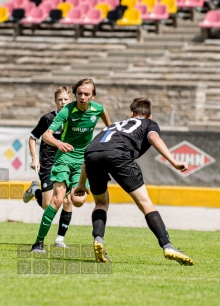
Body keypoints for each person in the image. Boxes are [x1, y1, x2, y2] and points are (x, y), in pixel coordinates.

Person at [73, 97, 194, 265]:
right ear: (149, 115)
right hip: (118, 155)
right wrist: (173, 161)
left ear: (131, 113)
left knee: (100, 203)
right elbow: (154, 138)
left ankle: (98, 239)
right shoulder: (149, 124)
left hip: (92, 155)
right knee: (145, 203)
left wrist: (81, 184)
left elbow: (92, 151)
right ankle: (168, 245)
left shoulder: (114, 125)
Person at [30, 78, 111, 253]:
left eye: (86, 94)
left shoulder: (99, 110)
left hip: (83, 162)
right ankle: (39, 242)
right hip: (64, 159)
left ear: (93, 95)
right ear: (75, 95)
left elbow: (110, 129)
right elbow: (46, 135)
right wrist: (59, 144)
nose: (82, 97)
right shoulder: (67, 110)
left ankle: (60, 233)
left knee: (78, 201)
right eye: (79, 94)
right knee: (57, 200)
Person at [23, 86, 74, 248]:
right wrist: (34, 158)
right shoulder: (48, 119)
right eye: (60, 99)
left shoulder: (75, 119)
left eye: (66, 99)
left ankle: (59, 239)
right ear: (55, 101)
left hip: (66, 164)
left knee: (67, 200)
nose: (63, 102)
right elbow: (32, 137)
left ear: (70, 100)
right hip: (48, 164)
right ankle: (35, 190)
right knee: (47, 204)